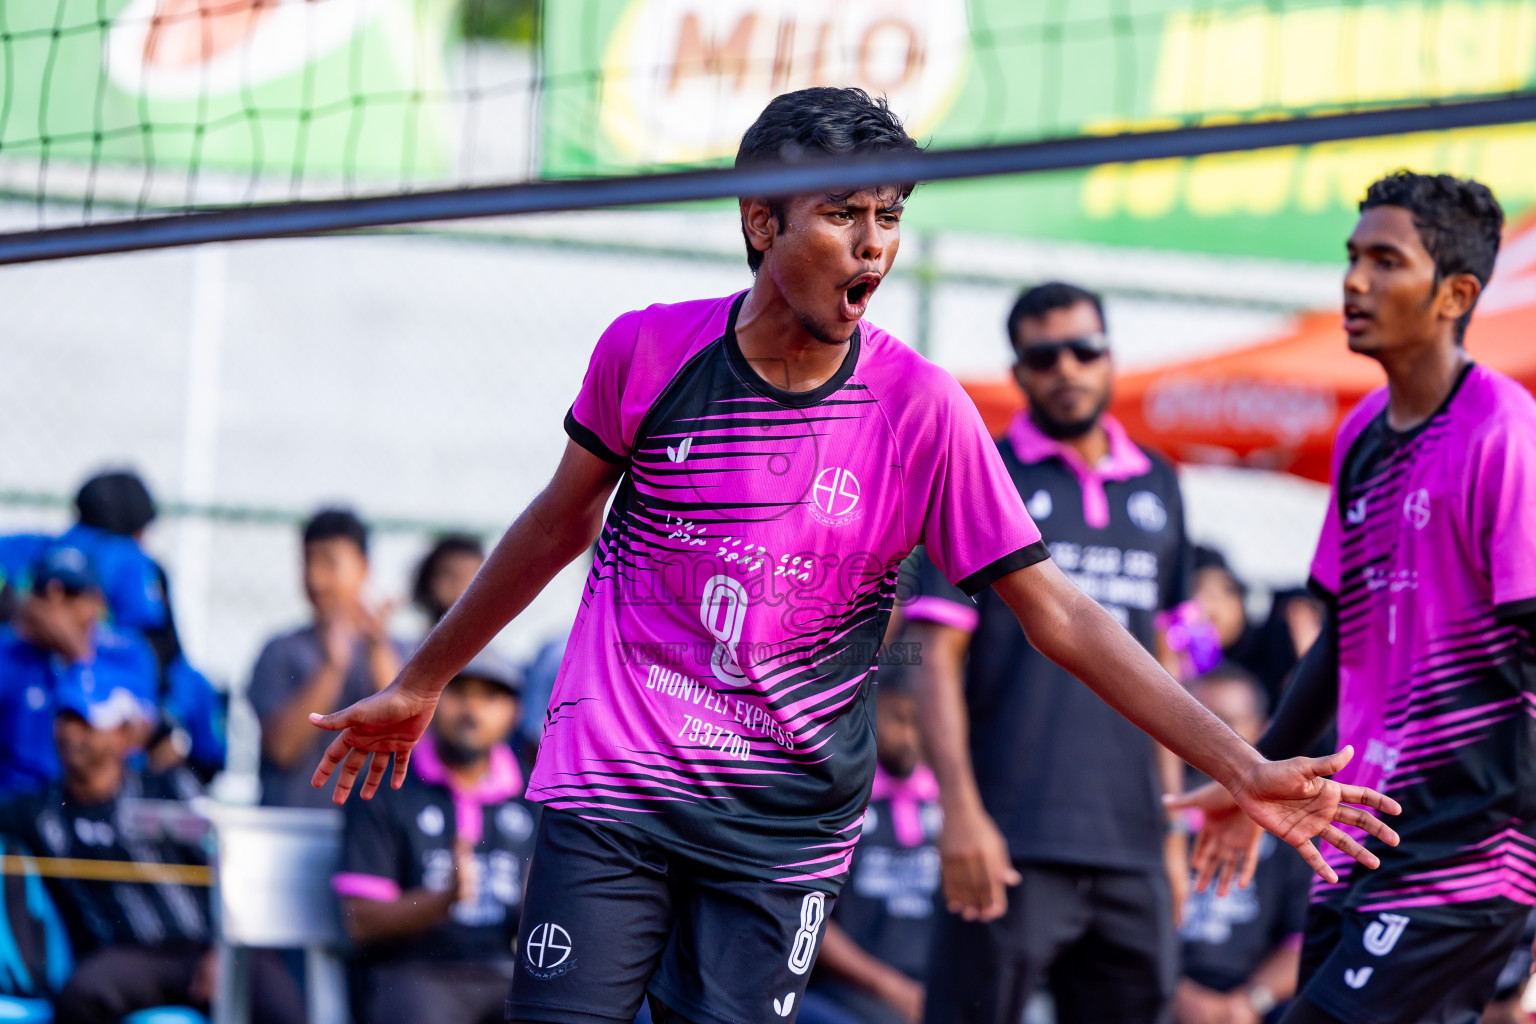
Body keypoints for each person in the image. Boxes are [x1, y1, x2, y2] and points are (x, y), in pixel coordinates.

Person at [309, 87, 1399, 1024]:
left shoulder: (922, 409)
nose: (875, 241)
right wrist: (423, 676)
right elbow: (557, 523)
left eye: (888, 214)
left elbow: (1058, 612)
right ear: (758, 221)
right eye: (842, 213)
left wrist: (1240, 762)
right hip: (618, 789)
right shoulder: (647, 348)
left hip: (781, 828)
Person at [1173, 171, 1536, 1024]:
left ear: (1455, 294)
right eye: (1352, 257)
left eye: (1384, 260)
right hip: (1363, 839)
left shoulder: (1502, 431)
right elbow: (1340, 642)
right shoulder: (1364, 435)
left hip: (1471, 848)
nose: (1354, 281)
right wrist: (1251, 775)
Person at [907, 281, 1193, 1024]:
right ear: (1020, 372)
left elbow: (1165, 654)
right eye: (1044, 356)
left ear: (1110, 358)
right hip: (1011, 837)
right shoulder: (980, 474)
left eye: (1084, 350)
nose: (1067, 368)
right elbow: (933, 658)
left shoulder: (1161, 482)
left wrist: (1171, 826)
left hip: (1133, 843)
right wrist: (960, 815)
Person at [0, 680, 303, 1024]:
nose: (72, 733)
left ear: (125, 736)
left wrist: (222, 950)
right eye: (66, 719)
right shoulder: (38, 812)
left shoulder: (167, 786)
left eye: (87, 722)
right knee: (81, 995)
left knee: (279, 1000)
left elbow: (229, 862)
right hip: (125, 958)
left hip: (202, 946)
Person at [333, 649, 536, 1024]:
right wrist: (443, 900)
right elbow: (359, 922)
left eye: (490, 697)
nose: (471, 710)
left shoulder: (535, 794)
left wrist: (540, 903)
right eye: (458, 692)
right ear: (430, 700)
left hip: (506, 974)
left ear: (514, 712)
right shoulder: (386, 785)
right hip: (412, 975)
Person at [1176, 665, 1312, 1024]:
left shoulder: (1288, 828)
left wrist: (1251, 1001)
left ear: (1263, 730)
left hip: (1252, 1002)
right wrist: (1175, 993)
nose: (1213, 738)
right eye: (1201, 721)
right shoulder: (1158, 810)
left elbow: (1304, 940)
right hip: (1156, 992)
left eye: (1228, 724)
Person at [801, 674, 939, 1024]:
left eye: (918, 722)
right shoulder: (837, 803)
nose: (910, 737)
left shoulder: (947, 807)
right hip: (846, 992)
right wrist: (889, 987)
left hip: (931, 987)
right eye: (898, 720)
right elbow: (809, 911)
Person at [248, 508, 402, 808]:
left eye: (329, 562)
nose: (315, 579)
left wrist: (377, 648)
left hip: (374, 836)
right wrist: (332, 667)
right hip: (291, 828)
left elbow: (405, 738)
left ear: (364, 567)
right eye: (308, 562)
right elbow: (282, 749)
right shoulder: (279, 651)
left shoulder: (398, 651)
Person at [0, 545, 157, 798]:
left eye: (71, 594)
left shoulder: (126, 653)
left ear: (97, 602)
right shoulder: (8, 652)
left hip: (97, 804)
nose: (56, 606)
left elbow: (135, 737)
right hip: (16, 810)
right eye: (45, 593)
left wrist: (78, 657)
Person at [412, 534, 487, 627]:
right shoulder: (403, 636)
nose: (460, 585)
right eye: (451, 575)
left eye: (472, 577)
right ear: (429, 578)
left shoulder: (498, 638)